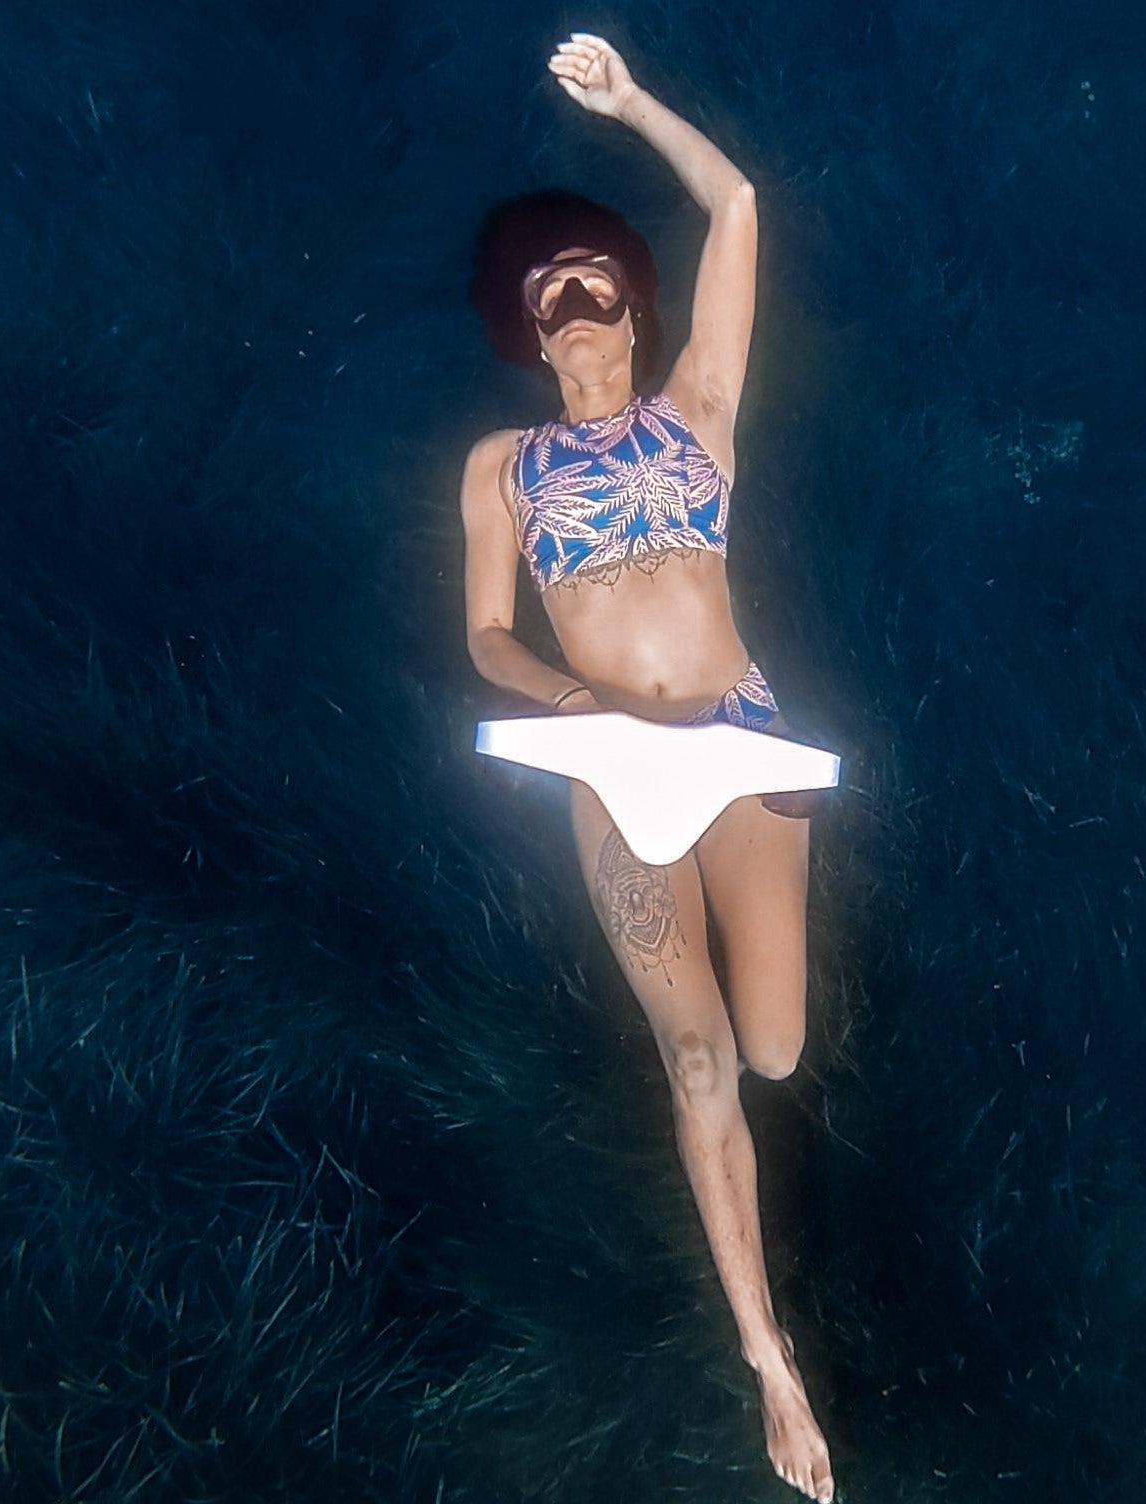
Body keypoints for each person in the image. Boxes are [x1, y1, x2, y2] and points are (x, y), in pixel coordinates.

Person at [460, 32, 834, 1504]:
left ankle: (766, 1090)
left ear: (626, 299)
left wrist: (627, 107)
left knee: (779, 1053)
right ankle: (770, 1358)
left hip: (744, 739)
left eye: (587, 272)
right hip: (613, 773)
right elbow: (487, 635)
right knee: (698, 1063)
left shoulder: (700, 411)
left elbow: (737, 202)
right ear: (535, 333)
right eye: (545, 289)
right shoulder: (501, 466)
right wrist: (581, 709)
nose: (570, 288)